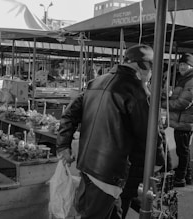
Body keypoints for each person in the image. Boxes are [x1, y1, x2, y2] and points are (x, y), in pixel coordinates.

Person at [57, 44, 154, 219]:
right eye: (151, 69)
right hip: (111, 171)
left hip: (87, 164)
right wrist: (160, 161)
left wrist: (63, 145)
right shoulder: (137, 90)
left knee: (108, 211)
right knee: (95, 213)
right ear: (143, 65)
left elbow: (69, 115)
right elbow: (149, 134)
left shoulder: (96, 82)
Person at [161, 53, 193, 187]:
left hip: (185, 122)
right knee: (183, 149)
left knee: (183, 150)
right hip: (181, 121)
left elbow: (183, 103)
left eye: (185, 64)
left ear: (191, 65)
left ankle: (181, 177)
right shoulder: (184, 79)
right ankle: (187, 175)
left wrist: (164, 103)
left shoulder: (190, 81)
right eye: (180, 64)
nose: (182, 67)